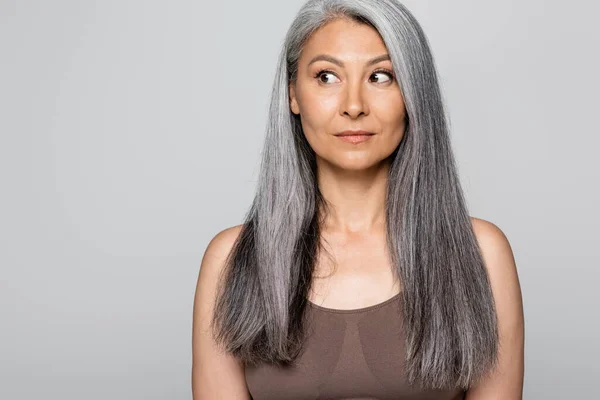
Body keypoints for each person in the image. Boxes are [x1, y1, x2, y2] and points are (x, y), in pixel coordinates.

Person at [192, 0, 524, 398]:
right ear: (293, 95)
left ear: (413, 94)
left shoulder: (482, 255)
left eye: (381, 76)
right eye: (327, 76)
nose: (353, 106)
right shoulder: (230, 260)